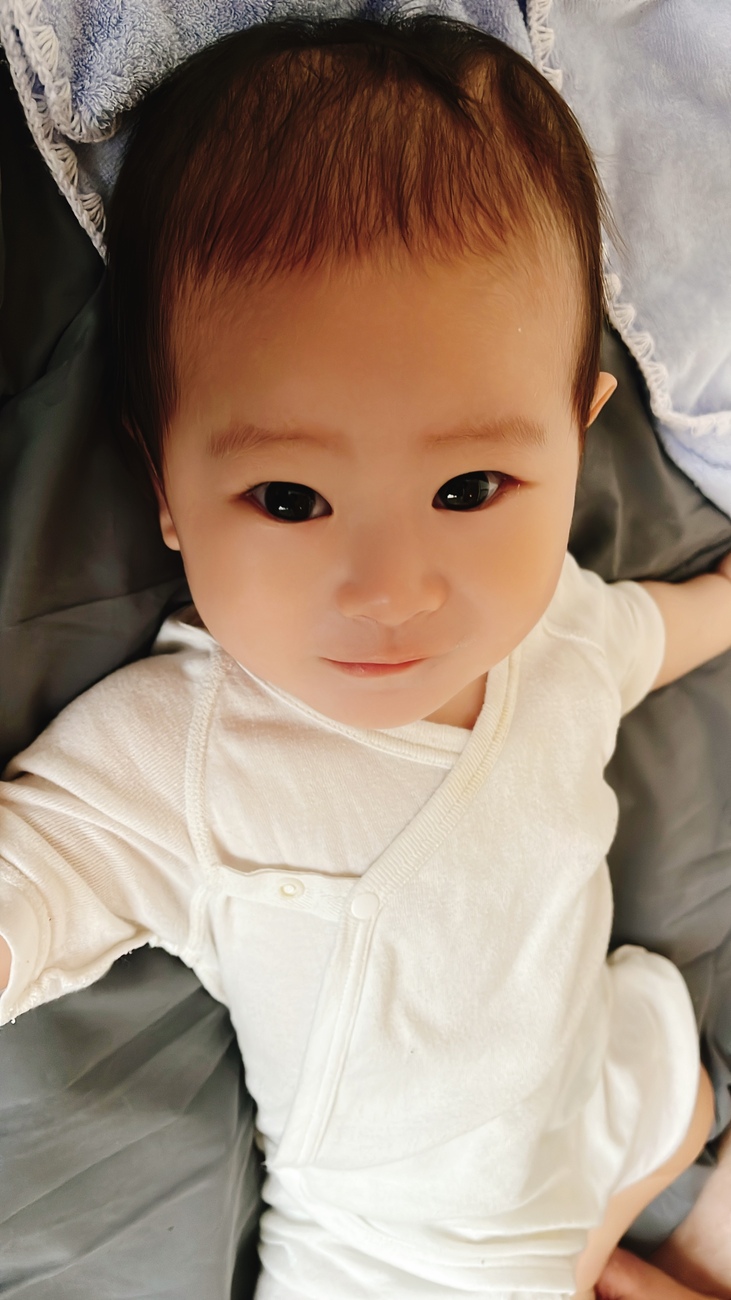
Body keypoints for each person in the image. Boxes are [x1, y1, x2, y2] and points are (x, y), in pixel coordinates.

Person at [0, 15, 728, 1299]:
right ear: (165, 488)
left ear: (576, 435)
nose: (390, 592)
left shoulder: (555, 621)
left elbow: (645, 635)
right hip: (395, 1251)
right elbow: (37, 877)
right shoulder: (191, 750)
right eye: (288, 500)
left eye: (469, 488)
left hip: (599, 1073)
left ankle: (634, 1169)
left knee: (653, 1063)